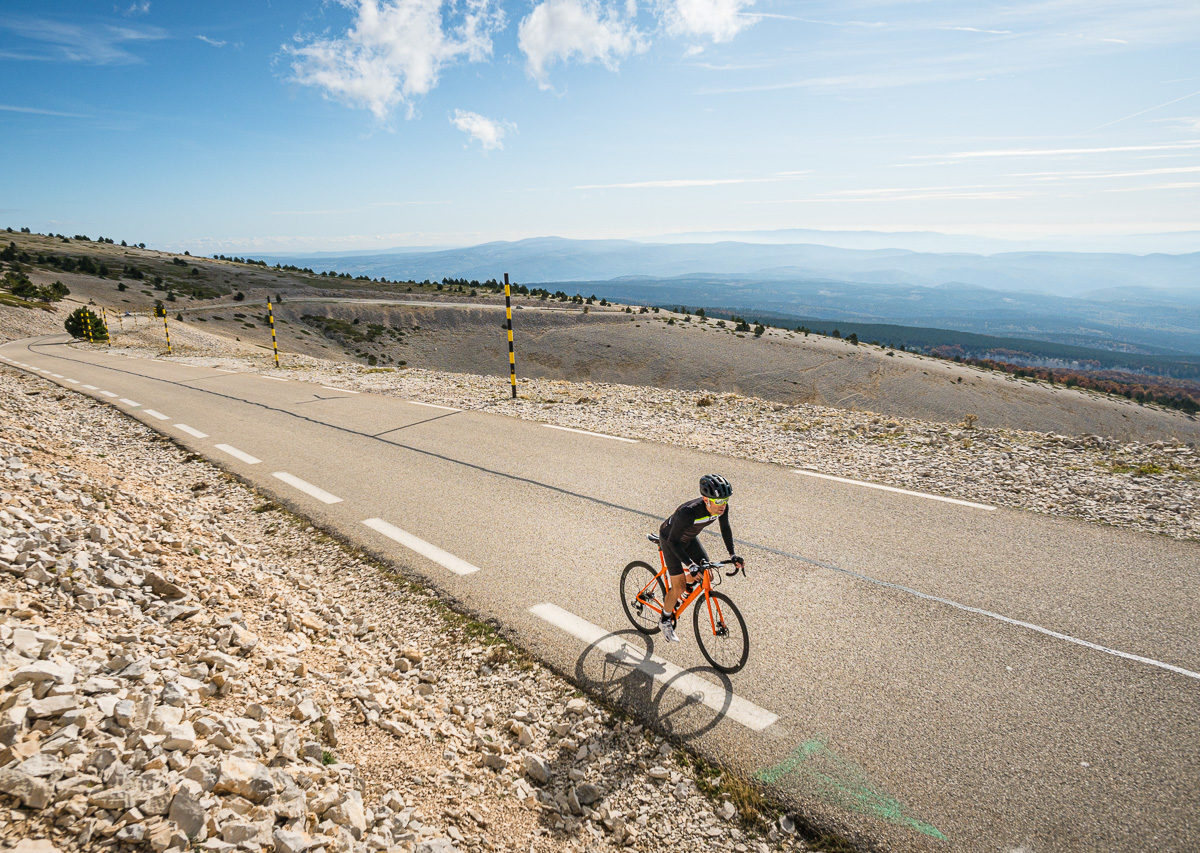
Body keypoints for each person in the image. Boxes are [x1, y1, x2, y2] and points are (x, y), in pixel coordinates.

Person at [658, 474, 743, 642]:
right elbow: (674, 542)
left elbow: (725, 528)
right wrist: (690, 565)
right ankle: (665, 619)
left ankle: (684, 589)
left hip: (689, 539)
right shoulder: (688, 513)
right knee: (679, 586)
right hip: (671, 541)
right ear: (706, 499)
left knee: (707, 575)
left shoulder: (721, 507)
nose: (723, 505)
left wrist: (732, 554)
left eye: (725, 500)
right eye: (719, 501)